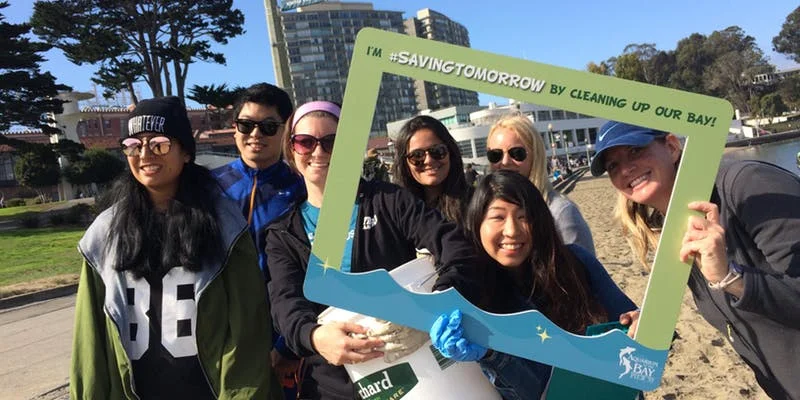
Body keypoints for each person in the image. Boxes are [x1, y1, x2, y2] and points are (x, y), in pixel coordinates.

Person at [265, 101, 481, 399]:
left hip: (414, 373)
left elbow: (455, 248)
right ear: (291, 150)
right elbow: (284, 301)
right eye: (305, 142)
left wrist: (430, 310)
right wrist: (314, 336)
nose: (319, 152)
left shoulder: (389, 201)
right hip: (332, 384)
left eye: (332, 142)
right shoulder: (283, 234)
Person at [71, 97, 280, 399]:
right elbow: (89, 340)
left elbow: (247, 333)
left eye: (159, 144)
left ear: (186, 152)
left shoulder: (224, 225)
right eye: (133, 145)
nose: (145, 154)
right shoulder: (105, 234)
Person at [591, 121, 800, 400]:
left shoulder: (747, 184)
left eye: (635, 150)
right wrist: (656, 319)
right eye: (613, 166)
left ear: (671, 146)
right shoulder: (676, 228)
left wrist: (731, 278)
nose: (625, 169)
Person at [429, 170, 638, 399]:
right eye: (498, 217)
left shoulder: (576, 262)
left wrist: (639, 323)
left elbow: (633, 327)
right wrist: (490, 354)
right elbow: (531, 392)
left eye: (524, 217)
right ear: (477, 223)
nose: (512, 231)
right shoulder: (477, 297)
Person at [211, 83, 305, 397]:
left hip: (284, 330)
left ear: (286, 130)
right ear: (234, 128)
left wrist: (290, 345)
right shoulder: (207, 187)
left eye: (268, 127)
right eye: (246, 125)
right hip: (223, 332)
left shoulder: (303, 188)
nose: (255, 135)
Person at [487, 114, 595, 254]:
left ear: (535, 155)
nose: (505, 162)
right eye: (495, 155)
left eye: (517, 153)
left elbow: (584, 266)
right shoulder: (485, 211)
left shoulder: (560, 213)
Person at [391, 115, 473, 223]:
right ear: (405, 164)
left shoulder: (477, 203)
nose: (428, 160)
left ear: (451, 153)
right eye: (417, 155)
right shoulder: (397, 212)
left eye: (437, 151)